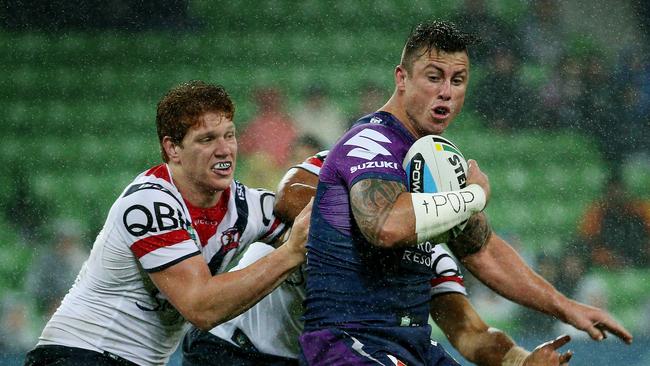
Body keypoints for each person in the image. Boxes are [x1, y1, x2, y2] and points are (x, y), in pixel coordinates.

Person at [299, 20, 632, 366]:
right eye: (433, 77)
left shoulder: (435, 158)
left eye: (457, 81)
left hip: (411, 345)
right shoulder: (369, 141)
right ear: (402, 78)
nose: (446, 92)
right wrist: (472, 196)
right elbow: (387, 226)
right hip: (350, 344)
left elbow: (482, 249)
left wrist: (566, 307)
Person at [183, 151, 575, 366]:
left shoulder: (430, 258)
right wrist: (376, 232)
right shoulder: (354, 172)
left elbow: (470, 332)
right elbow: (290, 197)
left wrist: (519, 361)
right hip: (228, 347)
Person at [24, 80, 311, 366]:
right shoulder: (148, 205)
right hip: (80, 354)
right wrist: (290, 253)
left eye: (230, 135)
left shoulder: (246, 205)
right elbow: (201, 308)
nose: (224, 150)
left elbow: (311, 230)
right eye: (207, 139)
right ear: (173, 148)